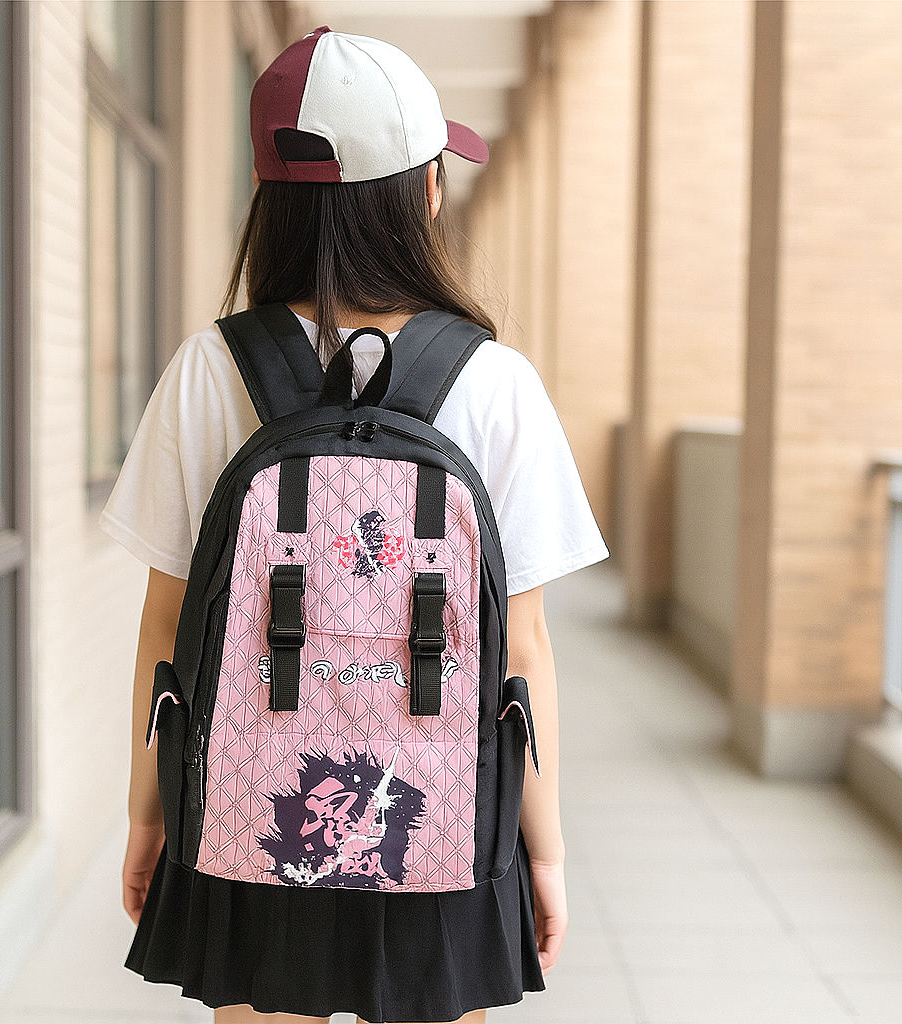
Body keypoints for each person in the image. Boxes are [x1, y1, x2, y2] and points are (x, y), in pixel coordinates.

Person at [98, 25, 610, 1024]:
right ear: (422, 194)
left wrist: (147, 813)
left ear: (271, 202)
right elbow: (523, 649)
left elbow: (165, 627)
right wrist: (539, 847)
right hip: (441, 816)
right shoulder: (495, 383)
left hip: (251, 808)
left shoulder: (209, 367)